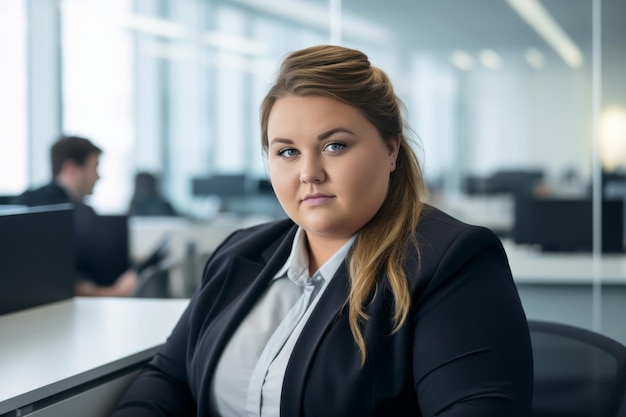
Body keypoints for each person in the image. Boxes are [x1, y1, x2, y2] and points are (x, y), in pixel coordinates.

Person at [111, 45, 533, 416]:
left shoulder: (449, 262)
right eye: (288, 152)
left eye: (335, 146)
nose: (309, 173)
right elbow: (169, 378)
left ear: (391, 149)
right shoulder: (240, 254)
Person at [13, 135, 139, 296]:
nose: (98, 177)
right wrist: (115, 292)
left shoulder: (27, 199)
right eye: (94, 167)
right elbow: (50, 281)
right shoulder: (57, 215)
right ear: (71, 168)